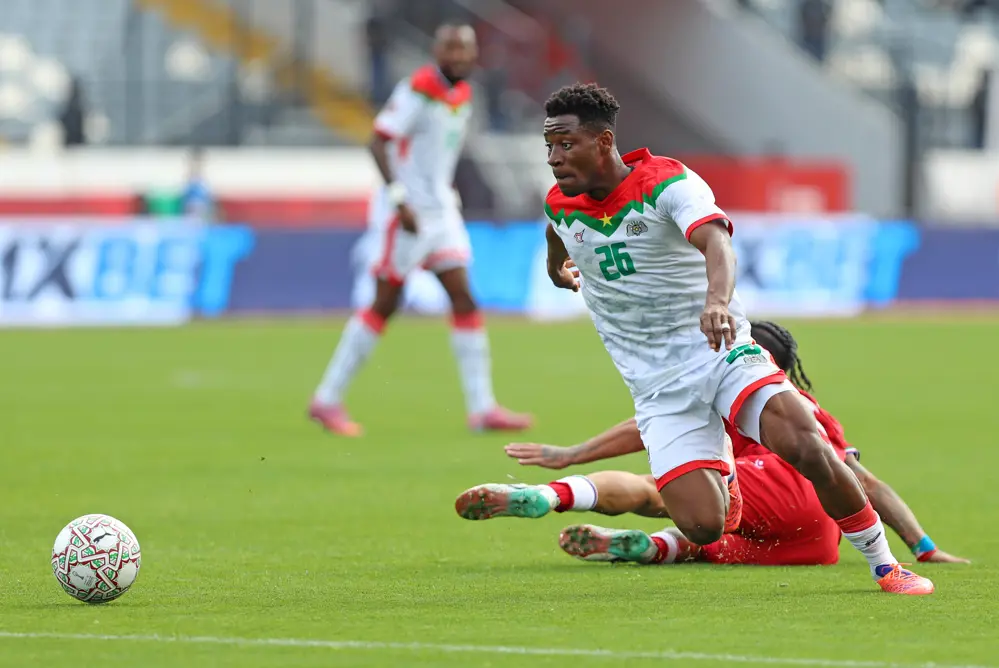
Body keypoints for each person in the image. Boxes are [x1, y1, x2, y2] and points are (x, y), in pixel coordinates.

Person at [506, 82, 928, 593]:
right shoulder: (560, 204)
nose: (553, 157)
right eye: (549, 146)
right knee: (704, 525)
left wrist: (716, 303)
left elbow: (717, 244)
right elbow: (557, 235)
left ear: (604, 141)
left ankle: (886, 566)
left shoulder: (667, 183)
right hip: (657, 386)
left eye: (565, 144)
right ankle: (724, 469)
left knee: (807, 444)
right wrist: (556, 271)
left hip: (720, 351)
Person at [457, 321, 968, 570]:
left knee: (661, 489)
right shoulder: (806, 408)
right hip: (817, 540)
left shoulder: (733, 381)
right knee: (708, 542)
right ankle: (654, 548)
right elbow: (866, 482)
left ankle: (550, 495)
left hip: (775, 486)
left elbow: (646, 427)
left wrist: (572, 455)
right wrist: (922, 546)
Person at [308, 23, 532, 436]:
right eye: (451, 48)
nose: (458, 56)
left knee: (464, 298)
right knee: (384, 304)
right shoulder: (419, 89)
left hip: (441, 211)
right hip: (407, 213)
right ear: (436, 51)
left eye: (465, 49)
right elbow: (378, 141)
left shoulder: (463, 94)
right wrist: (399, 199)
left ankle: (482, 409)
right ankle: (326, 399)